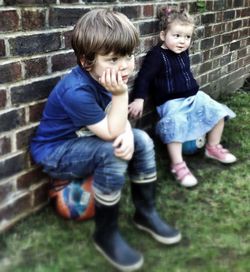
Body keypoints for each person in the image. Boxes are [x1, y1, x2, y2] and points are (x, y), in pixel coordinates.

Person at [30, 9, 181, 272]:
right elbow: (111, 132)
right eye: (113, 59)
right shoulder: (77, 91)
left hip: (89, 139)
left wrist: (125, 132)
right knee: (113, 151)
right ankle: (106, 233)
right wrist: (121, 103)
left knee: (141, 140)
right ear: (86, 61)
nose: (124, 65)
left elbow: (115, 118)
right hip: (56, 152)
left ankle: (145, 213)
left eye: (128, 56)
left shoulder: (107, 77)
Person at [128, 7, 237, 188]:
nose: (182, 41)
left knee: (217, 111)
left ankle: (213, 147)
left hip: (194, 96)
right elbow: (144, 78)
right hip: (171, 104)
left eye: (187, 37)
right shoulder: (156, 56)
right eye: (177, 35)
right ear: (163, 35)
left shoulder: (183, 52)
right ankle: (178, 165)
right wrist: (139, 98)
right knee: (176, 124)